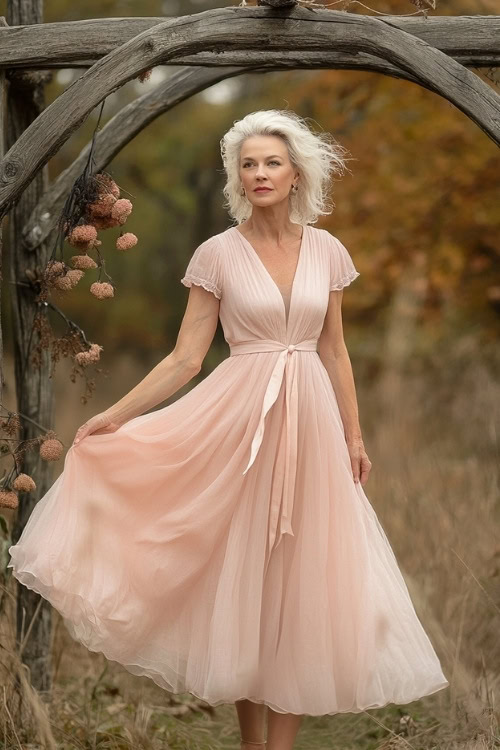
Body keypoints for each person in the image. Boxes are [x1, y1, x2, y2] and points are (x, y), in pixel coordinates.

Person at [8, 109, 449, 750]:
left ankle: (283, 745)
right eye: (248, 164)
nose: (260, 173)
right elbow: (186, 358)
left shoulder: (327, 250)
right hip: (239, 425)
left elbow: (335, 351)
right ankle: (251, 745)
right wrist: (115, 415)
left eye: (272, 162)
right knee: (247, 574)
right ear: (236, 178)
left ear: (296, 173)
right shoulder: (217, 253)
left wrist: (355, 437)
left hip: (314, 427)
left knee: (304, 576)